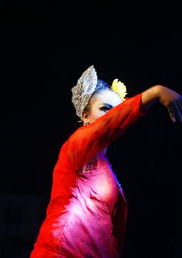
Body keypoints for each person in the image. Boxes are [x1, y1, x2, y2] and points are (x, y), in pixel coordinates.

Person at [30, 65, 182, 258]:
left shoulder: (103, 163)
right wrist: (155, 92)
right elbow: (110, 124)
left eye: (117, 110)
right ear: (85, 115)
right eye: (105, 109)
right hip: (61, 251)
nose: (111, 116)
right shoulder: (77, 144)